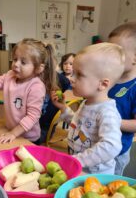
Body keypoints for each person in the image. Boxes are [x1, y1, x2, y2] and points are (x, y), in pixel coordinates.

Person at [51, 42, 125, 174]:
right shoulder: (87, 103)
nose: (71, 79)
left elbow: (111, 146)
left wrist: (78, 160)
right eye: (73, 73)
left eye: (79, 75)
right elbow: (78, 126)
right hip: (80, 169)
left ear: (102, 84)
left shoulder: (107, 112)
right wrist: (63, 108)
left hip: (96, 176)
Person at [0, 38, 57, 144]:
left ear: (38, 68)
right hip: (11, 132)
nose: (16, 64)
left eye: (23, 62)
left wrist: (13, 133)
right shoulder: (10, 75)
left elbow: (32, 117)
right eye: (15, 59)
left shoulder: (36, 86)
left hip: (28, 138)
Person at [108, 22, 136, 175]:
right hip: (98, 144)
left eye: (117, 53)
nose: (110, 58)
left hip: (117, 152)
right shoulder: (110, 78)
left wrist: (112, 121)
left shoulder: (135, 87)